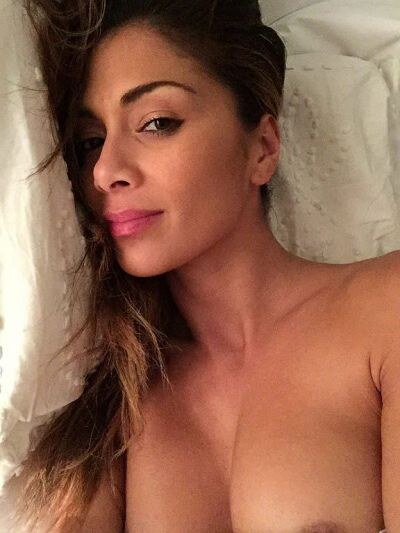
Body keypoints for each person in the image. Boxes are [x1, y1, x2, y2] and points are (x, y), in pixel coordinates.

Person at [15, 0, 399, 531]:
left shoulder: (384, 308)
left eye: (156, 123)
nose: (105, 171)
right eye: (90, 143)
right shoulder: (113, 402)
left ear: (262, 148)